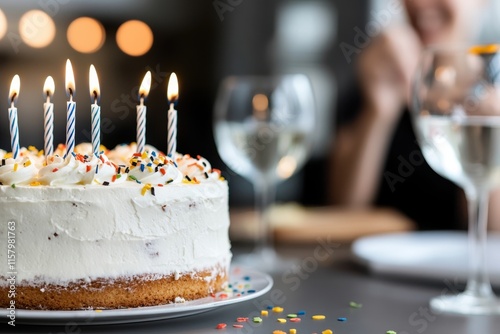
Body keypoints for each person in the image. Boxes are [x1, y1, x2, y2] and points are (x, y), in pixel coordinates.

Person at [329, 0, 500, 230]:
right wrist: (378, 111)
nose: (421, 3)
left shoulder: (495, 88)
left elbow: (494, 231)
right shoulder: (374, 78)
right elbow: (341, 213)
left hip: (458, 264)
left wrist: (484, 140)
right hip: (381, 262)